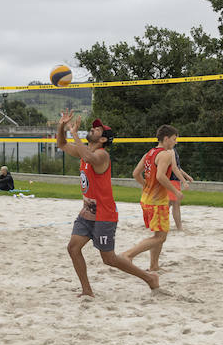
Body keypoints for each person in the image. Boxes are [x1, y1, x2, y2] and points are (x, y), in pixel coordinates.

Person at [55, 111, 159, 297]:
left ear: (103, 139)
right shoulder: (85, 151)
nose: (93, 129)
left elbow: (88, 157)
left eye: (97, 129)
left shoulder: (102, 155)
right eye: (94, 127)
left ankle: (149, 278)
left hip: (104, 214)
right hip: (87, 213)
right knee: (73, 248)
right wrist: (62, 126)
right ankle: (87, 290)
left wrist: (76, 134)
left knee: (109, 259)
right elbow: (61, 144)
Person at [125, 125, 183, 273]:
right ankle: (128, 255)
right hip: (157, 202)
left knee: (158, 234)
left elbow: (135, 173)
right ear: (166, 138)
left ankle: (154, 265)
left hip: (146, 199)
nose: (175, 142)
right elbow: (160, 176)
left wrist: (146, 186)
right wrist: (175, 192)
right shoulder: (166, 154)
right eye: (174, 139)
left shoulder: (149, 153)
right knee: (161, 237)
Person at [166, 146, 194, 230]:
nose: (176, 141)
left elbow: (177, 167)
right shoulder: (169, 150)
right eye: (174, 139)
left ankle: (156, 223)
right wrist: (184, 181)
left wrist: (186, 176)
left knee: (169, 204)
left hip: (173, 180)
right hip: (171, 180)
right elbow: (174, 168)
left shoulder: (171, 149)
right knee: (175, 204)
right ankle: (179, 227)